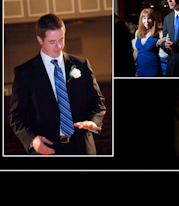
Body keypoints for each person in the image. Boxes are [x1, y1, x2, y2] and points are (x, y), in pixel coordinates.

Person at [8, 14, 106, 155]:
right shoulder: (25, 72)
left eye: (61, 39)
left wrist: (94, 121)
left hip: (83, 147)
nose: (59, 46)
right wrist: (32, 139)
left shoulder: (81, 65)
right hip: (47, 149)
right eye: (52, 41)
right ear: (40, 40)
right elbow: (16, 115)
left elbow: (97, 101)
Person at [133, 8, 165, 77]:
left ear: (153, 20)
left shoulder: (159, 33)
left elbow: (167, 41)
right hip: (140, 68)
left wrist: (163, 39)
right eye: (144, 18)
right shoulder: (137, 32)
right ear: (141, 20)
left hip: (153, 68)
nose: (146, 21)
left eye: (149, 18)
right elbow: (136, 52)